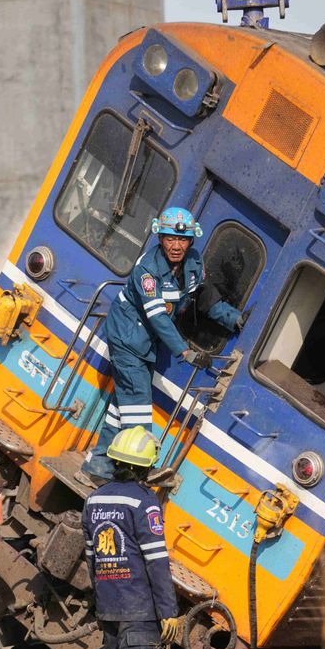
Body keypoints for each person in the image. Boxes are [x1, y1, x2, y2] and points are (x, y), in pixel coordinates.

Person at [81, 205, 244, 482]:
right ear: (160, 239)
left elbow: (204, 298)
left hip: (146, 343)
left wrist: (235, 319)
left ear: (191, 241)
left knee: (122, 405)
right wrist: (185, 351)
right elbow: (158, 316)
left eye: (182, 239)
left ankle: (99, 463)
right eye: (170, 238)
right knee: (138, 402)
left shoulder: (193, 264)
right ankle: (138, 471)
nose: (176, 245)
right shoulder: (147, 270)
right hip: (127, 337)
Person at [82, 426, 182, 649]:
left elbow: (91, 559)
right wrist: (168, 612)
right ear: (146, 467)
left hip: (110, 608)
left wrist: (102, 602)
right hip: (140, 611)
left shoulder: (94, 500)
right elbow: (156, 561)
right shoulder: (144, 502)